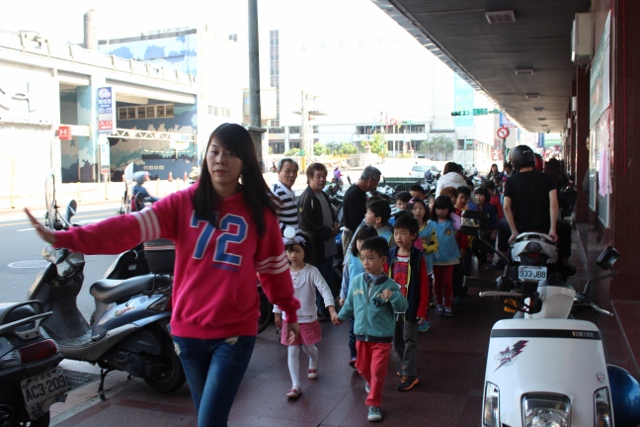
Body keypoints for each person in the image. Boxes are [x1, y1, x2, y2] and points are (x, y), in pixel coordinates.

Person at [26, 123, 301, 427]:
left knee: (209, 421)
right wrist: (66, 238)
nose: (220, 159)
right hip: (186, 334)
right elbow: (127, 228)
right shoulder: (182, 203)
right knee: (211, 419)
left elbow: (273, 270)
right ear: (205, 155)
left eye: (231, 153)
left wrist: (288, 310)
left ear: (245, 162)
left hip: (234, 335)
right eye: (215, 151)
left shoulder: (259, 213)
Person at [334, 236, 408, 422]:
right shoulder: (357, 281)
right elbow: (350, 303)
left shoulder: (390, 285)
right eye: (363, 258)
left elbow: (403, 306)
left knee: (377, 371)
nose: (365, 262)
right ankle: (371, 382)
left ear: (383, 260)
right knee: (362, 367)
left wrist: (392, 296)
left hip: (382, 338)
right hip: (361, 335)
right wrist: (340, 316)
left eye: (370, 258)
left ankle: (374, 404)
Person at [274, 231, 337, 399]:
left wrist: (331, 308)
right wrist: (276, 312)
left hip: (308, 318)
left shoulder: (312, 271)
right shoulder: (283, 272)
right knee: (292, 351)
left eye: (297, 251)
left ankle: (313, 360)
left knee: (309, 348)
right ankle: (295, 385)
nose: (293, 255)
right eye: (289, 251)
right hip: (290, 320)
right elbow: (279, 293)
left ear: (305, 252)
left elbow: (324, 289)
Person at [495, 145, 572, 276]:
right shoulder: (547, 178)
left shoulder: (511, 181)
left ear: (514, 162)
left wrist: (514, 231)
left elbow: (506, 207)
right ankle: (565, 266)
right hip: (545, 227)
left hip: (520, 228)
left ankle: (502, 260)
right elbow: (554, 204)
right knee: (565, 228)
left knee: (502, 224)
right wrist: (552, 229)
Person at [388, 215, 429, 392]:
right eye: (396, 233)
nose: (398, 237)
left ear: (413, 236)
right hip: (393, 308)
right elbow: (383, 279)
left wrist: (422, 310)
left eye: (402, 233)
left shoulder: (418, 257)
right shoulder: (390, 255)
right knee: (396, 340)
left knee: (409, 340)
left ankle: (410, 374)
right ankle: (405, 364)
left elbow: (424, 285)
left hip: (410, 308)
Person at [298, 163, 341, 320]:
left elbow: (330, 214)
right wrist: (328, 232)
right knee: (319, 281)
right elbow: (306, 227)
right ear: (309, 178)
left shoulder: (323, 195)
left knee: (327, 279)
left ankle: (328, 308)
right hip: (317, 249)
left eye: (324, 176)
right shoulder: (306, 199)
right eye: (318, 176)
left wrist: (335, 223)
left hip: (328, 246)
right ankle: (321, 310)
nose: (322, 179)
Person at [339, 225, 379, 368]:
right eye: (359, 241)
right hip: (354, 300)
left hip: (372, 300)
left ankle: (369, 354)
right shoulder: (351, 258)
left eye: (366, 241)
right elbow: (346, 278)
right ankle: (354, 355)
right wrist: (343, 295)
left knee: (371, 328)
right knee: (354, 330)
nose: (361, 244)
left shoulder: (376, 259)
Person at [429, 195, 461, 317]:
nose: (440, 212)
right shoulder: (430, 222)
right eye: (438, 209)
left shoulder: (452, 221)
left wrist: (452, 213)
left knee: (447, 281)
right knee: (437, 282)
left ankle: (448, 303)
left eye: (444, 209)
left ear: (449, 209)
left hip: (449, 257)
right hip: (436, 257)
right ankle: (439, 303)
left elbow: (460, 224)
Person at [341, 166, 382, 254]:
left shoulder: (359, 191)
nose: (376, 186)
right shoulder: (354, 194)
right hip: (354, 235)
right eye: (376, 182)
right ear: (370, 181)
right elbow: (355, 222)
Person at [408, 198, 438, 316]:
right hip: (411, 266)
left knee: (425, 291)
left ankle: (424, 317)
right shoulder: (407, 228)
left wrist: (423, 248)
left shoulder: (430, 228)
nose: (418, 211)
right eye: (414, 208)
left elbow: (435, 246)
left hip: (427, 265)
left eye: (420, 208)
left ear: (425, 211)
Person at [271, 158, 299, 234]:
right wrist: (292, 234)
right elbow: (272, 221)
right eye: (287, 171)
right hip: (286, 242)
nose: (292, 175)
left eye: (294, 171)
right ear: (279, 172)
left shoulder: (289, 192)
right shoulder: (275, 193)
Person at [473, 187, 498, 271]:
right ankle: (481, 260)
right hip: (475, 232)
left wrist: (494, 231)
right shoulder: (473, 206)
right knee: (474, 247)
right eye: (476, 195)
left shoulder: (489, 207)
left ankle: (482, 263)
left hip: (486, 232)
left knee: (483, 248)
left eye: (481, 195)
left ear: (486, 196)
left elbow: (494, 220)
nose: (478, 197)